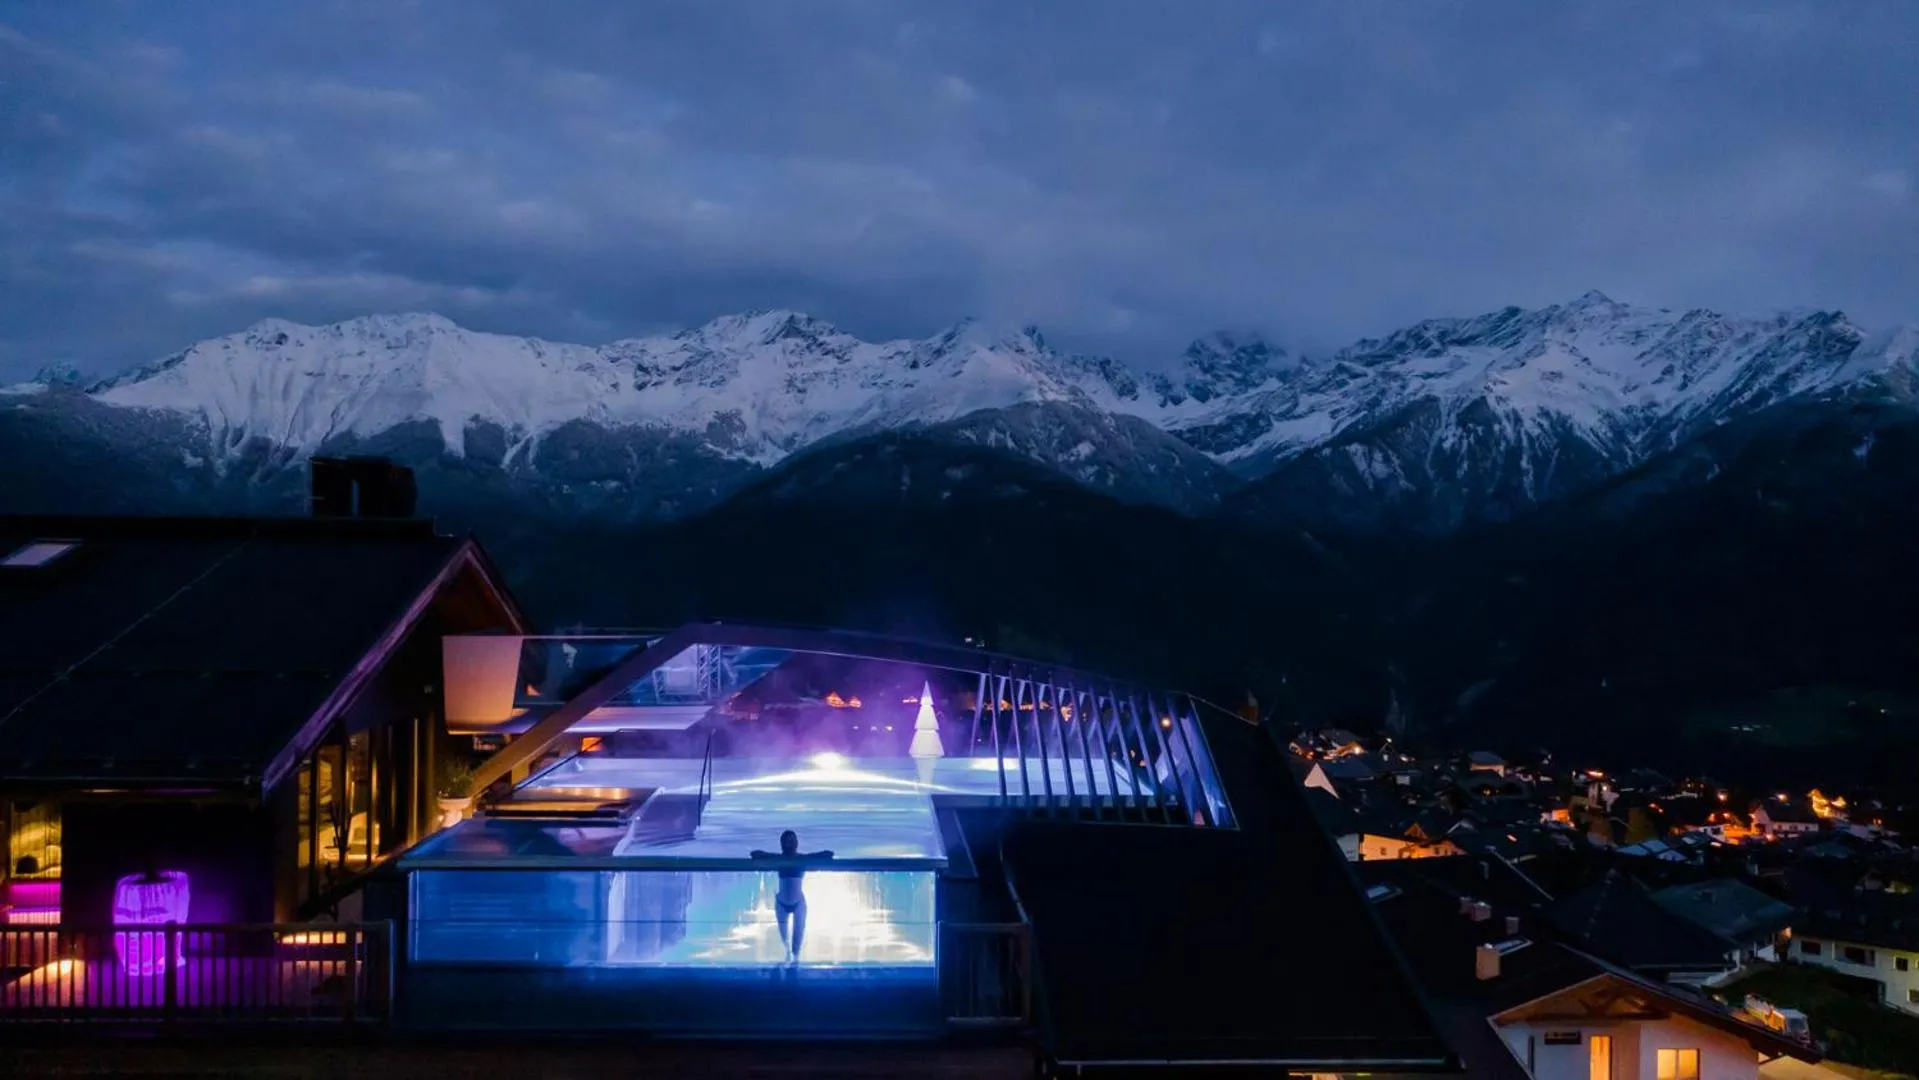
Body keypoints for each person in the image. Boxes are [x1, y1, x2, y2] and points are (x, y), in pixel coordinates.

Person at [750, 829, 834, 965]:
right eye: (788, 841)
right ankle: (789, 962)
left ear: (796, 843)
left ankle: (795, 965)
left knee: (797, 942)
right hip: (782, 904)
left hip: (798, 903)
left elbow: (826, 854)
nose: (791, 843)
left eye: (793, 840)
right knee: (785, 941)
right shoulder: (780, 859)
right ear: (782, 844)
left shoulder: (800, 859)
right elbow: (755, 854)